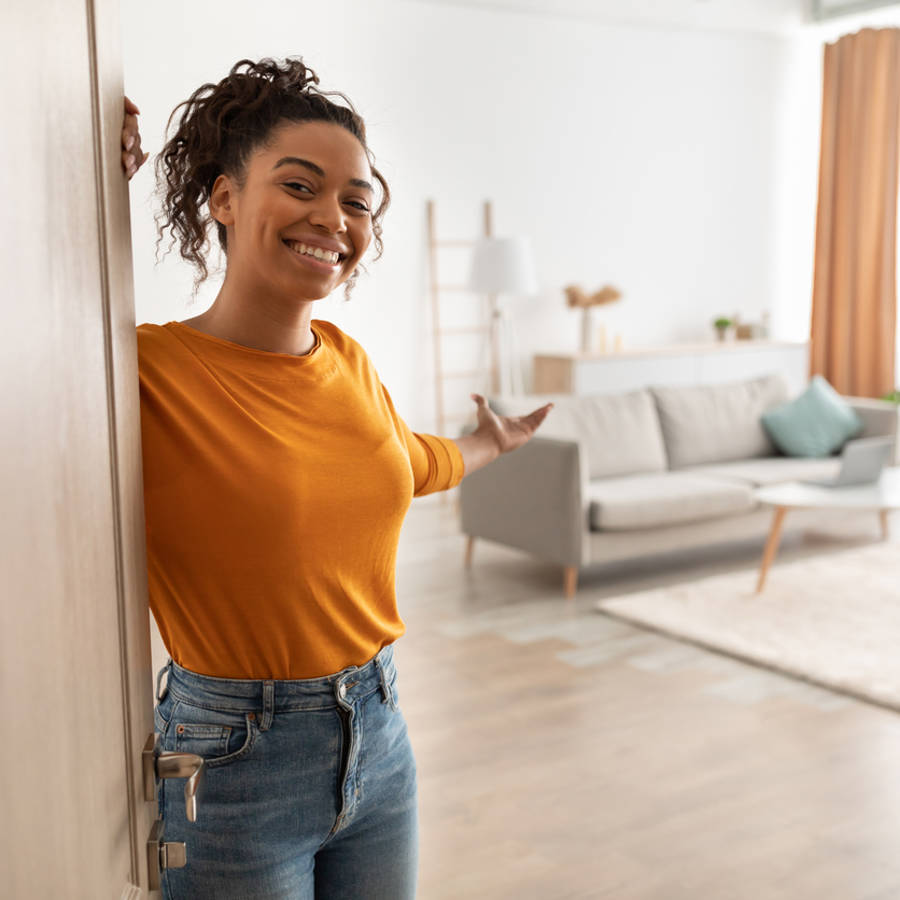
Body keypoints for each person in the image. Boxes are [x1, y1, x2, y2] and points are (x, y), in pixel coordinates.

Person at [122, 57, 551, 899]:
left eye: (357, 200)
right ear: (224, 197)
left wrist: (487, 443)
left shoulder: (348, 363)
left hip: (380, 735)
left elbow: (405, 464)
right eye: (300, 186)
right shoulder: (145, 371)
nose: (334, 217)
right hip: (231, 763)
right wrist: (62, 178)